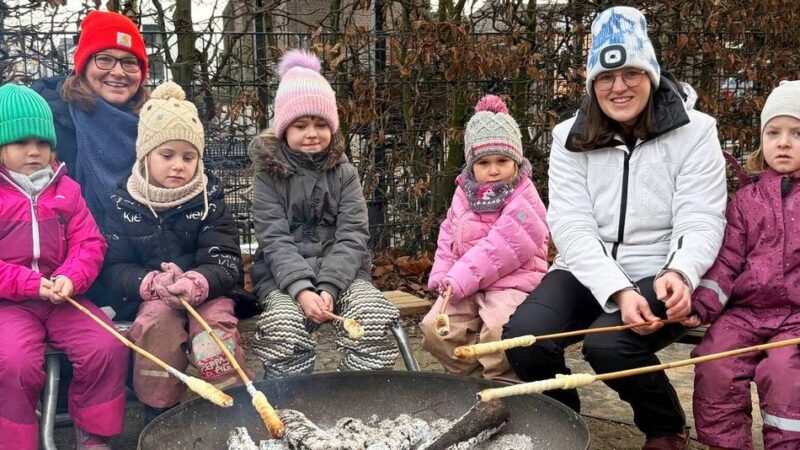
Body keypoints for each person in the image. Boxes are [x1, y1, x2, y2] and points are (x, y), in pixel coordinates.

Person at [502, 6, 727, 449]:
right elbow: (570, 224)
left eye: (630, 73)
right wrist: (617, 291)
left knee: (609, 348)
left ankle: (665, 427)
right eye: (605, 77)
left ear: (652, 74)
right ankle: (562, 421)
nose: (618, 87)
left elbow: (701, 216)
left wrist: (681, 272)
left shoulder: (696, 132)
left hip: (660, 269)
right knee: (525, 339)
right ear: (592, 83)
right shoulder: (569, 136)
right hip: (585, 267)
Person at [99, 81, 249, 423]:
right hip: (152, 297)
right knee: (156, 327)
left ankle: (235, 403)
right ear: (145, 156)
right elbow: (113, 265)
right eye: (167, 155)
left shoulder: (210, 201)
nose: (178, 165)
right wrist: (148, 283)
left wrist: (197, 282)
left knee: (215, 332)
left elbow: (225, 261)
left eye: (188, 156)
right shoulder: (123, 203)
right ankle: (159, 410)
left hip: (208, 292)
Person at [249, 49, 400, 378]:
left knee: (371, 315)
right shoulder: (268, 175)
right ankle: (291, 398)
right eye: (300, 125)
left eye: (320, 124)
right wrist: (302, 290)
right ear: (284, 128)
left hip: (344, 276)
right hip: (283, 280)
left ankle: (361, 394)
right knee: (283, 327)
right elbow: (273, 239)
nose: (312, 133)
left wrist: (330, 287)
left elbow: (353, 234)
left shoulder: (345, 173)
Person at [0, 84, 127, 450]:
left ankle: (93, 434)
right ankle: (16, 441)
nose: (34, 150)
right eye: (21, 142)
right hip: (11, 303)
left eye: (42, 142)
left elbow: (89, 243)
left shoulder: (66, 190)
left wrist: (71, 276)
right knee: (13, 362)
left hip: (62, 299)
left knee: (106, 344)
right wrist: (28, 282)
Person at [689, 80, 800, 450]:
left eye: (797, 133)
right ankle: (726, 445)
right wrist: (701, 304)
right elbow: (727, 262)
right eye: (774, 132)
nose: (783, 142)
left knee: (784, 373)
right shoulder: (745, 200)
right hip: (746, 311)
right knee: (715, 361)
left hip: (796, 317)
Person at [419, 95, 549, 380]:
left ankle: (502, 382)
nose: (493, 170)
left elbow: (501, 247)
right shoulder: (464, 192)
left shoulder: (524, 196)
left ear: (516, 161)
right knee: (436, 329)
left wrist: (458, 278)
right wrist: (442, 274)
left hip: (511, 283)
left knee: (499, 329)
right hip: (465, 284)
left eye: (502, 160)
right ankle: (472, 377)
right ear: (471, 165)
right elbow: (448, 235)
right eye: (484, 162)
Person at [32, 10, 149, 225]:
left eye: (130, 62)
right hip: (67, 252)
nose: (118, 72)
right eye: (104, 59)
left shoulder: (158, 124)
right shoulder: (48, 124)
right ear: (84, 65)